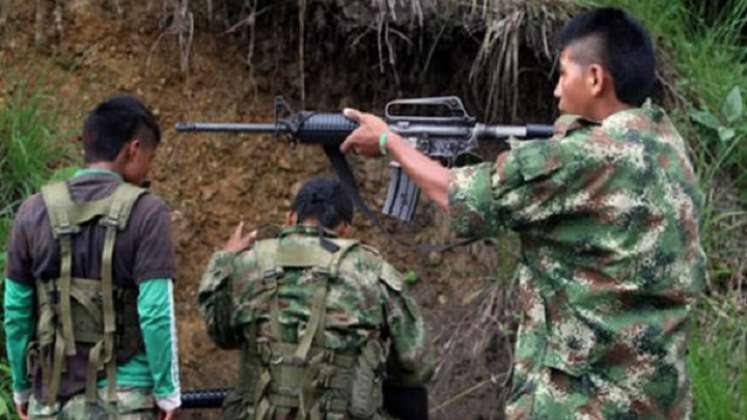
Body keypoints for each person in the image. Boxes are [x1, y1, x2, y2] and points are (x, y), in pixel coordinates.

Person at [340, 7, 706, 419]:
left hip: (584, 405)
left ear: (596, 78)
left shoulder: (582, 159)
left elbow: (461, 194)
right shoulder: (669, 148)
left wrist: (390, 141)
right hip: (659, 400)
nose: (555, 91)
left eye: (563, 74)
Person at [4, 95, 181, 419]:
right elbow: (156, 311)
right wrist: (167, 392)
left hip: (51, 398)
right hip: (125, 398)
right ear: (133, 149)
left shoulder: (32, 211)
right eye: (150, 158)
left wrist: (22, 386)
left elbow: (16, 311)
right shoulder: (148, 212)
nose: (147, 170)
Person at [198, 176, 434, 419]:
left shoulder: (247, 265)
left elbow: (221, 335)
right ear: (344, 229)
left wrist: (223, 260)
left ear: (291, 218)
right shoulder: (371, 270)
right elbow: (414, 362)